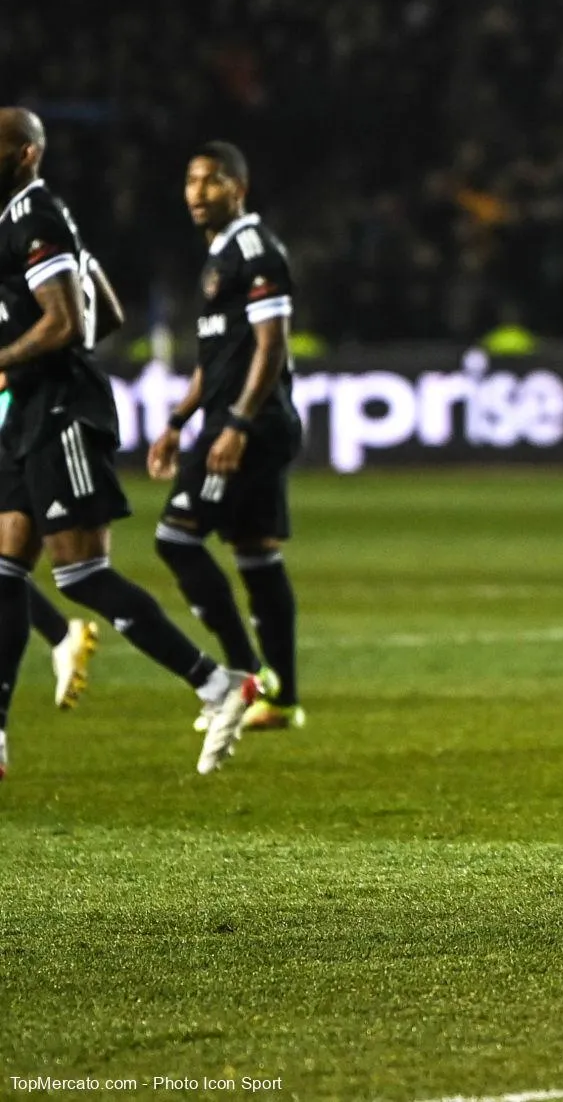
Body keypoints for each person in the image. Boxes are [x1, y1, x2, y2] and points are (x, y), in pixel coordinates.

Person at [0, 110, 257, 779]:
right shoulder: (22, 220)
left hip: (60, 409)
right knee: (3, 569)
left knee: (81, 573)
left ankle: (217, 684)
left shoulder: (34, 217)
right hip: (29, 408)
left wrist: (13, 359)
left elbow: (67, 321)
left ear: (25, 154)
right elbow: (107, 311)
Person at [148, 142, 305, 733]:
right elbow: (214, 359)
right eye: (191, 181)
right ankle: (280, 699)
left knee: (176, 538)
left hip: (251, 424)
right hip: (236, 419)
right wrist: (176, 420)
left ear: (238, 188)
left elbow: (272, 345)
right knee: (256, 554)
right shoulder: (219, 255)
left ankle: (244, 677)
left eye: (210, 181)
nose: (196, 192)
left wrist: (236, 424)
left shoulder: (255, 250)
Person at [0, 252, 124, 711]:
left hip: (29, 405)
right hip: (32, 399)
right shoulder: (57, 237)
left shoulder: (24, 238)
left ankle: (212, 681)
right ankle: (59, 634)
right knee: (7, 559)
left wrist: (28, 363)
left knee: (20, 562)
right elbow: (108, 313)